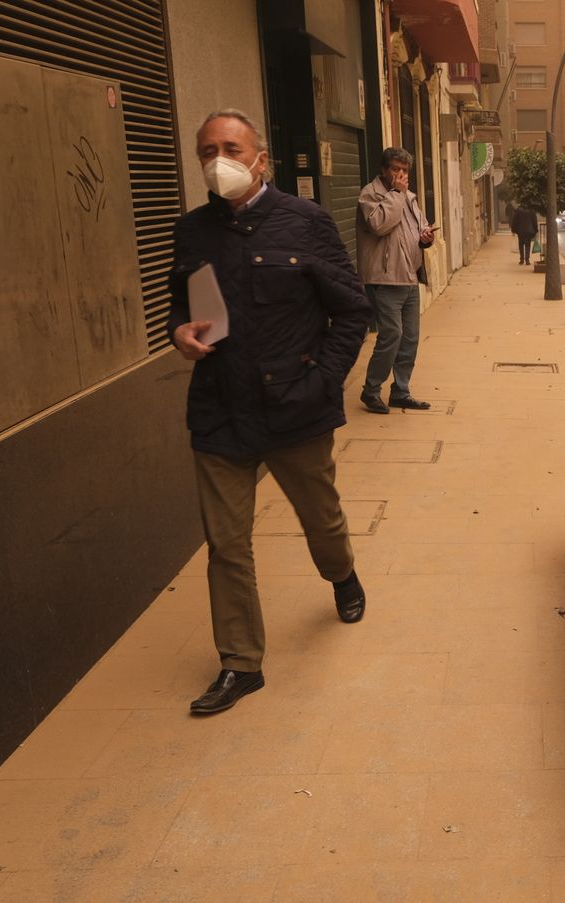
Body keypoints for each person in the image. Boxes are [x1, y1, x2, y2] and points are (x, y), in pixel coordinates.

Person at [169, 110, 373, 715]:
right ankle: (240, 663)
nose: (217, 159)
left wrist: (323, 380)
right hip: (220, 412)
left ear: (261, 157)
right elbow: (177, 311)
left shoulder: (306, 222)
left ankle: (342, 575)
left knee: (322, 519)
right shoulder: (191, 231)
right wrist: (179, 333)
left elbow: (353, 310)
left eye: (230, 147)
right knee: (226, 544)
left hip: (295, 407)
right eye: (206, 150)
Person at [355, 148, 436, 415]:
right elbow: (379, 225)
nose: (400, 175)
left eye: (404, 171)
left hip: (409, 277)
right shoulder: (371, 194)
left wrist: (426, 237)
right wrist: (397, 194)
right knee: (392, 335)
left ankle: (401, 391)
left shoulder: (410, 198)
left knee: (410, 338)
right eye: (395, 169)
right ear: (384, 170)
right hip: (385, 278)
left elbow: (418, 230)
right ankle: (371, 390)